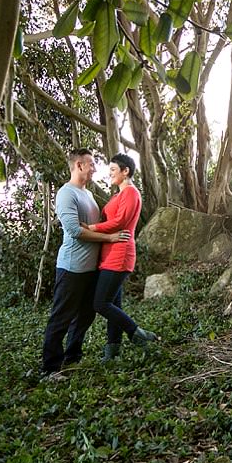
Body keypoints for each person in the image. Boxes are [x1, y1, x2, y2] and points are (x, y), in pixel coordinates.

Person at [40, 148, 130, 378]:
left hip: (91, 268)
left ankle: (72, 356)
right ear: (79, 165)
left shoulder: (87, 195)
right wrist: (109, 238)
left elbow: (93, 225)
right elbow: (74, 230)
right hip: (71, 267)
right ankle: (51, 368)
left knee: (86, 315)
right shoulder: (66, 194)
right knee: (62, 316)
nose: (94, 169)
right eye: (91, 164)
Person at [85, 153, 158, 361]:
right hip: (109, 253)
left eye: (113, 170)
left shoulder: (131, 193)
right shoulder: (117, 195)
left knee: (100, 303)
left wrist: (91, 228)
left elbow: (119, 222)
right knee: (113, 305)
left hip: (121, 253)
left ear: (125, 171)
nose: (110, 174)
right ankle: (112, 352)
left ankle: (137, 333)